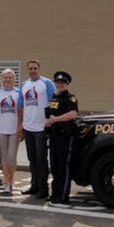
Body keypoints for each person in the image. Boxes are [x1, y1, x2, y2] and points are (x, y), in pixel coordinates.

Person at [20, 59, 54, 199]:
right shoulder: (24, 85)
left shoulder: (46, 83)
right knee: (32, 159)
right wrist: (21, 125)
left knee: (41, 160)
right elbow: (21, 106)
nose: (32, 70)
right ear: (27, 70)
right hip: (28, 127)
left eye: (35, 68)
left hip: (41, 128)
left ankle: (43, 188)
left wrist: (50, 119)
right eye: (30, 68)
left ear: (39, 69)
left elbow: (53, 102)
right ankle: (34, 185)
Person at [45, 70, 79, 205]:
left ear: (67, 84)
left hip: (65, 136)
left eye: (62, 83)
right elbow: (48, 114)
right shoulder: (53, 98)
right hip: (54, 135)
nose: (59, 85)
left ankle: (63, 196)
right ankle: (55, 194)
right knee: (54, 166)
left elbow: (72, 114)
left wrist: (55, 120)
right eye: (57, 83)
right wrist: (48, 121)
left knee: (64, 166)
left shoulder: (70, 98)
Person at [0, 68, 23, 194]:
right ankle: (7, 182)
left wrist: (21, 127)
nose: (8, 80)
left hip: (14, 129)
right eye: (5, 77)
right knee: (4, 156)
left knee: (12, 157)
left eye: (10, 77)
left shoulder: (18, 93)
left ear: (13, 79)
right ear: (2, 79)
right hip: (1, 128)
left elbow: (22, 111)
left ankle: (12, 179)